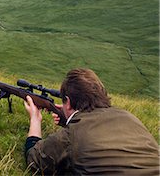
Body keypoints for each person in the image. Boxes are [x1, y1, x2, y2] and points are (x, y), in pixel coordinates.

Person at [23, 68, 159, 175]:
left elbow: (35, 160)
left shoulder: (71, 135)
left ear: (68, 102)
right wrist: (71, 119)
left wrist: (35, 119)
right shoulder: (128, 116)